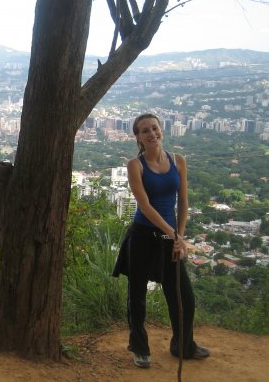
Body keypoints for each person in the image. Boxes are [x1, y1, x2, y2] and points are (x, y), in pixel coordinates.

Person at [112, 113, 210, 368]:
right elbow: (145, 206)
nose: (151, 133)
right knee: (137, 296)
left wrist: (179, 237)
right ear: (138, 137)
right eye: (145, 131)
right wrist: (175, 235)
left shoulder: (178, 161)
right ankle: (140, 348)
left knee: (183, 296)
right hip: (143, 236)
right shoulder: (136, 165)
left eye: (154, 128)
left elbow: (184, 202)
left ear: (161, 130)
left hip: (170, 237)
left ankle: (183, 344)